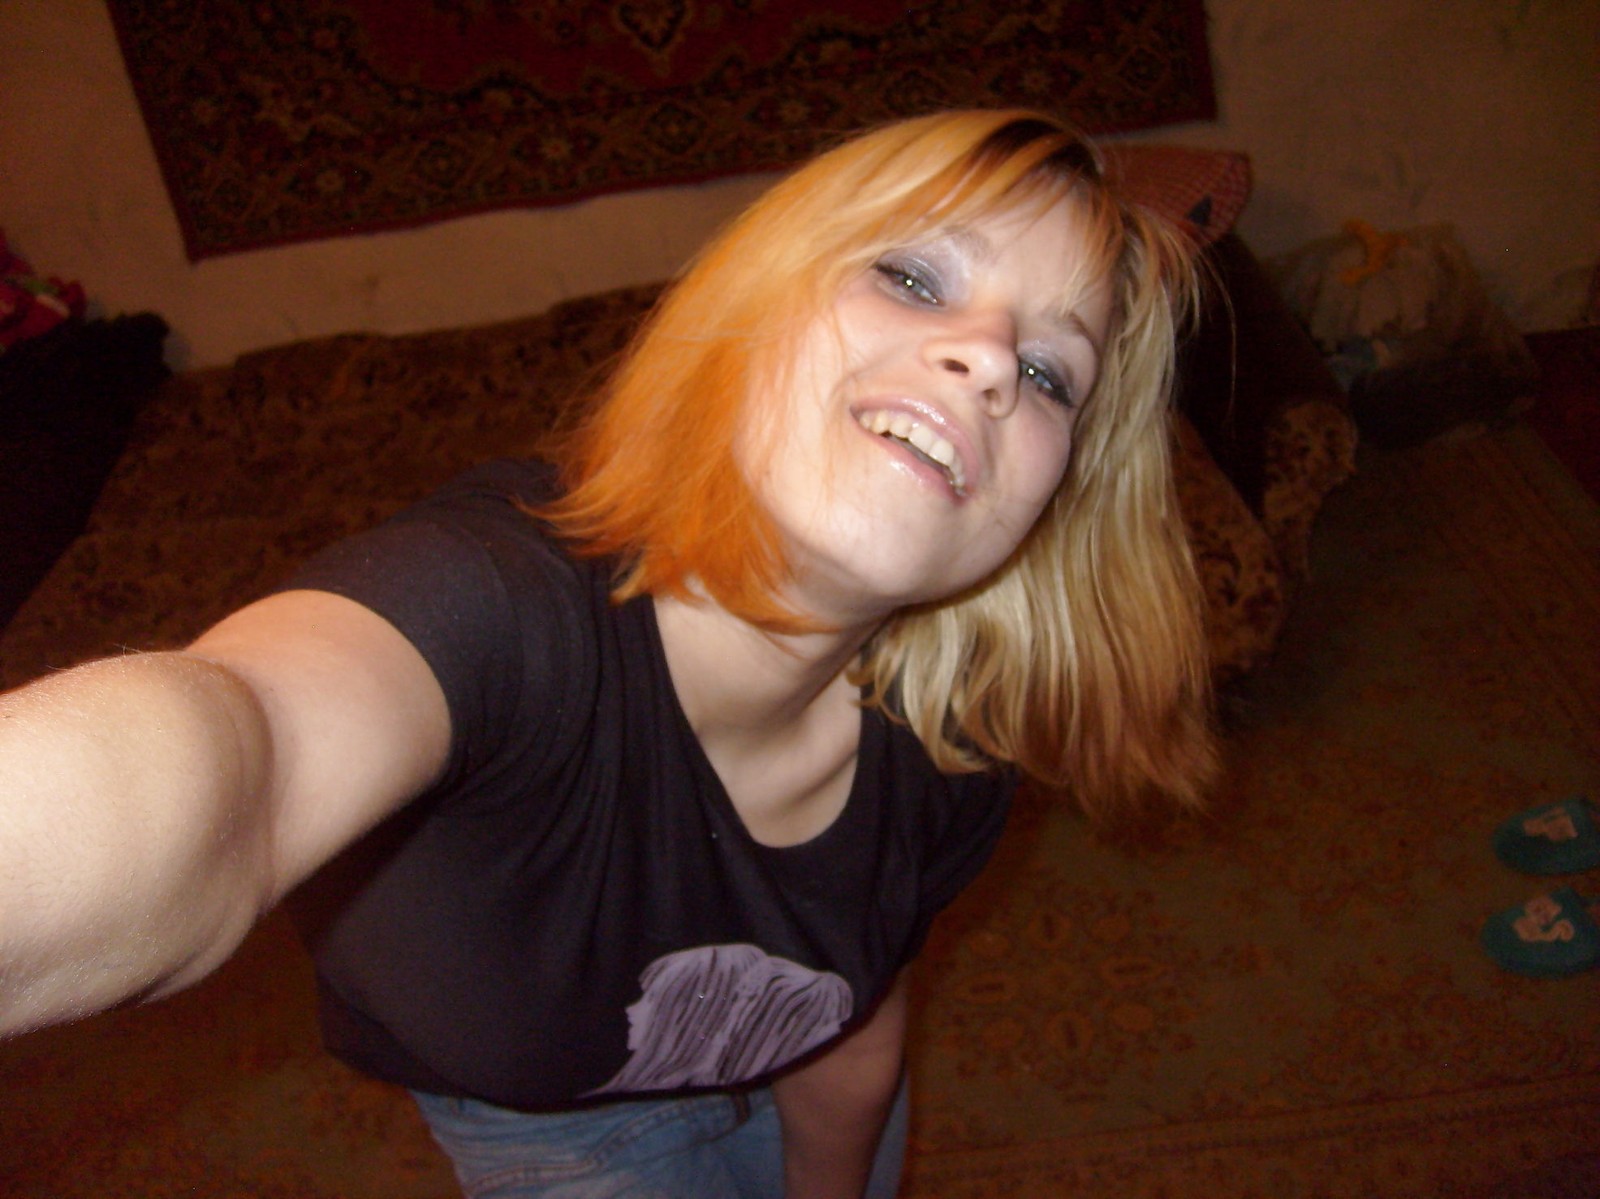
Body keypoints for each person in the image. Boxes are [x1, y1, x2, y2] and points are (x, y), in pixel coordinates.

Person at [0, 109, 1216, 1197]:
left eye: (1049, 371)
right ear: (750, 310)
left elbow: (854, 1021)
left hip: (784, 1039)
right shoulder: (497, 606)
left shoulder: (955, 744)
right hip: (552, 1123)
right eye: (909, 275)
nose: (990, 356)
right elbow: (246, 749)